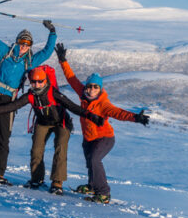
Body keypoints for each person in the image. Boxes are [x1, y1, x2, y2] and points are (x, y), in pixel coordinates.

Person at [0, 65, 104, 194]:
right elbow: (14, 106)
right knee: (36, 150)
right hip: (42, 123)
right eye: (33, 82)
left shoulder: (53, 93)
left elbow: (74, 107)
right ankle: (36, 179)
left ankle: (57, 183)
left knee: (60, 148)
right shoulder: (30, 96)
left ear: (45, 81)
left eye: (40, 81)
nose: (37, 85)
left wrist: (93, 117)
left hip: (61, 123)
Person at [0, 4, 57, 184]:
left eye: (28, 44)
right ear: (18, 41)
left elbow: (48, 52)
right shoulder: (5, 51)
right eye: (22, 42)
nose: (25, 46)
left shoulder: (30, 61)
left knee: (5, 135)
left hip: (10, 99)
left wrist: (52, 32)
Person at [55, 42, 150, 203]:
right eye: (89, 86)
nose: (90, 89)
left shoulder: (103, 104)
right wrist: (63, 60)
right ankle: (93, 185)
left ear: (100, 89)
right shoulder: (83, 95)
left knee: (94, 160)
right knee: (89, 162)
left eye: (95, 87)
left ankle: (104, 192)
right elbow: (72, 79)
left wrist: (135, 117)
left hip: (104, 138)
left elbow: (118, 113)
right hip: (89, 138)